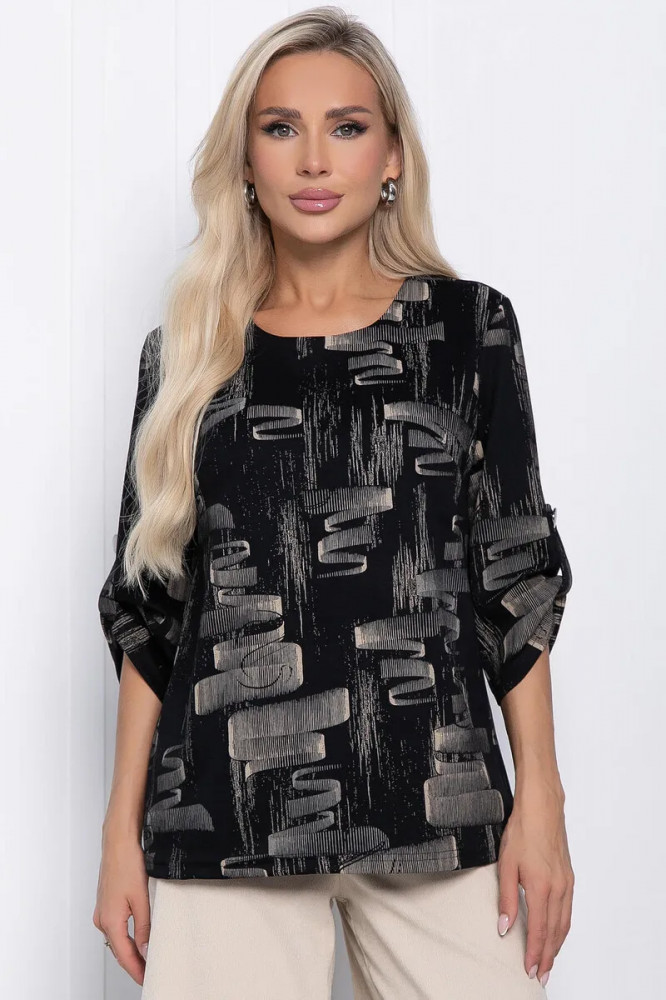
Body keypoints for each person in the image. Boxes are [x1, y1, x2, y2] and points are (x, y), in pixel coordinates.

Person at [92, 7, 575, 998]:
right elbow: (151, 609)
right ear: (245, 162)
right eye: (281, 128)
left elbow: (515, 575)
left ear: (391, 155)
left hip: (437, 800)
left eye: (346, 127)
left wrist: (543, 804)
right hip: (223, 812)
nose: (314, 159)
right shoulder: (187, 354)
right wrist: (117, 836)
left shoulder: (467, 330)